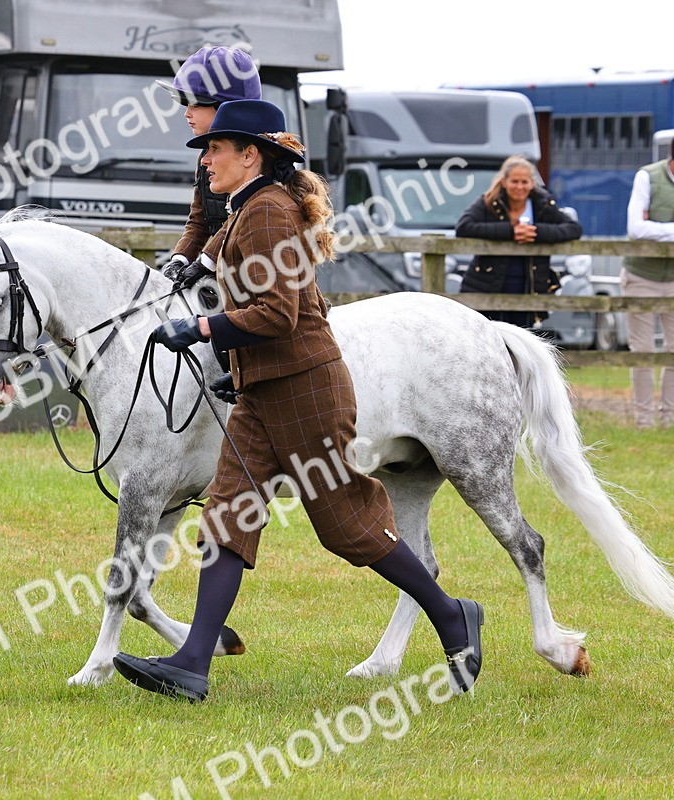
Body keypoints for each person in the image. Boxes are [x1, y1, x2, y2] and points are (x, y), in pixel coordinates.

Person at [112, 100, 484, 702]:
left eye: (215, 149)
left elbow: (277, 315)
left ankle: (450, 614)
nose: (205, 159)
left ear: (249, 155)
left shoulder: (266, 213)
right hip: (262, 390)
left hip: (305, 390)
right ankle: (192, 664)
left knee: (347, 527)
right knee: (228, 518)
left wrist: (200, 330)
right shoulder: (243, 209)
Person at [155, 45, 262, 285]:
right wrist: (180, 258)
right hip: (219, 270)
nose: (186, 114)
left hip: (261, 279)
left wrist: (206, 261)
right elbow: (200, 219)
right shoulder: (205, 156)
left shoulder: (260, 159)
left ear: (226, 106)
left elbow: (241, 218)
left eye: (194, 104)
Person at [455, 156, 582, 328]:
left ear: (532, 183)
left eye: (524, 182)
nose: (519, 187)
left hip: (528, 286)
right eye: (515, 181)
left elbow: (573, 229)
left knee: (522, 342)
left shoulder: (543, 205)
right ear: (505, 181)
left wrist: (536, 232)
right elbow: (464, 227)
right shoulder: (489, 201)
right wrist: (510, 231)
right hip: (487, 285)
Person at [623, 143, 674, 428]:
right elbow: (636, 229)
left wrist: (657, 228)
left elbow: (647, 228)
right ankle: (644, 420)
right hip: (641, 275)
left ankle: (669, 419)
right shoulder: (647, 176)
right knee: (642, 351)